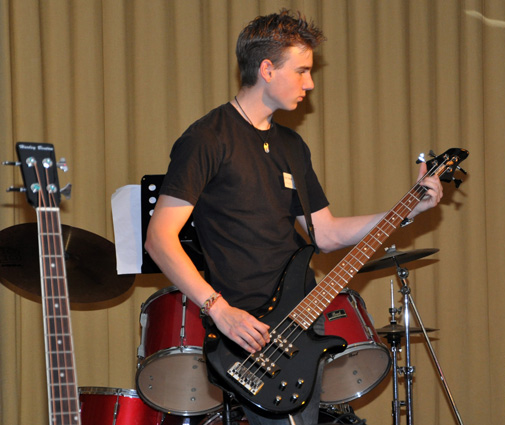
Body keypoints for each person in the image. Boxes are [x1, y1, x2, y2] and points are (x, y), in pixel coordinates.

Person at [144, 9, 443, 425]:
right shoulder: (207, 138)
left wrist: (407, 209)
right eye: (301, 71)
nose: (310, 83)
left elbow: (327, 234)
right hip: (247, 330)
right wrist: (219, 310)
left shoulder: (291, 145)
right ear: (267, 69)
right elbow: (159, 238)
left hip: (302, 322)